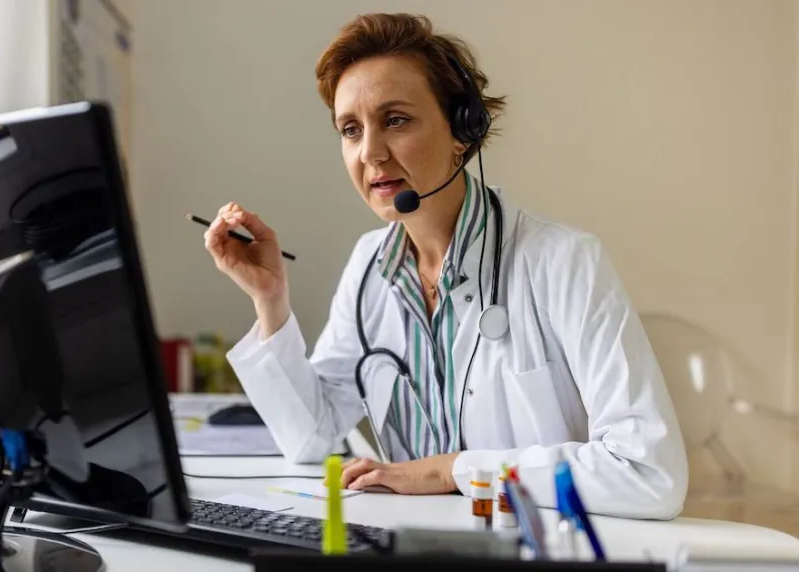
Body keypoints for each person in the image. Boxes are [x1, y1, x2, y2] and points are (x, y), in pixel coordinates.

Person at [202, 12, 687, 520]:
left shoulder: (564, 262)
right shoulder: (370, 265)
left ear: (463, 131)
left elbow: (648, 473)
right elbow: (313, 438)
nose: (370, 153)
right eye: (351, 129)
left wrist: (452, 471)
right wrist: (270, 301)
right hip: (412, 547)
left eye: (395, 120)